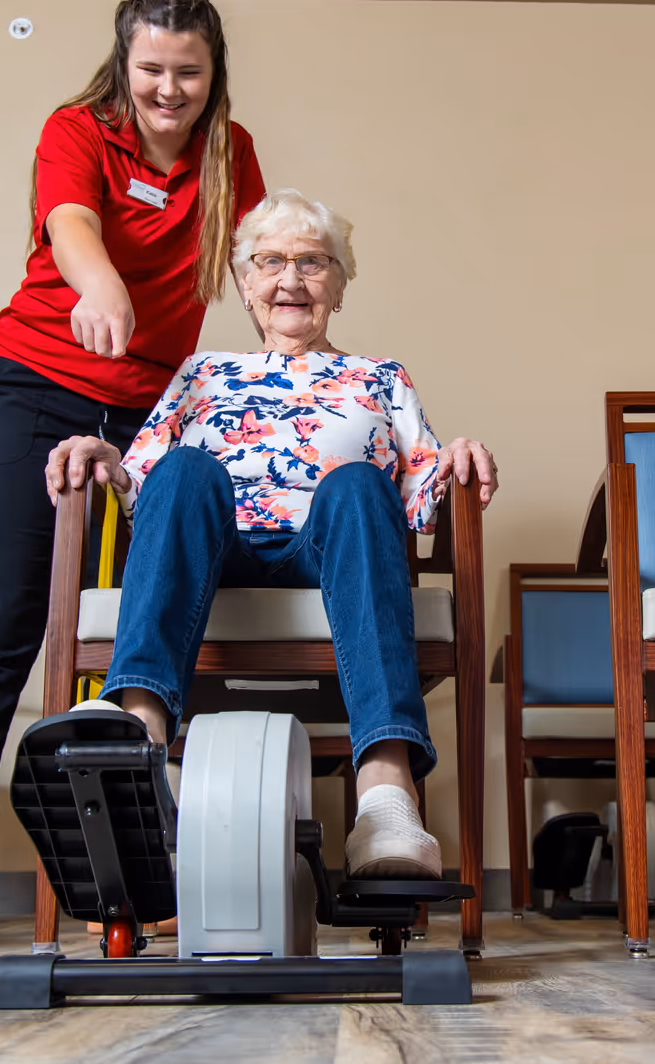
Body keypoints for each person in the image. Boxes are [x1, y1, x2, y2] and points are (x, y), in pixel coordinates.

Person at [0, 0, 266, 947]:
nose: (169, 90)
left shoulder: (231, 154)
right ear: (124, 64)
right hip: (33, 386)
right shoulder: (78, 129)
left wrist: (293, 342)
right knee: (0, 618)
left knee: (156, 614)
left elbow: (255, 262)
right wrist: (100, 283)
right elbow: (72, 228)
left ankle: (139, 871)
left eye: (189, 72)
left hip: (152, 404)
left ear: (212, 72)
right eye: (152, 70)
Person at [46, 189, 498, 878]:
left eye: (313, 263)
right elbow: (144, 483)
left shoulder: (380, 378)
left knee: (355, 482)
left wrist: (458, 455)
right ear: (245, 283)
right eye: (271, 261)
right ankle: (137, 743)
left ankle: (385, 796)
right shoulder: (202, 373)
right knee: (187, 468)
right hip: (217, 550)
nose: (291, 279)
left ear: (339, 287)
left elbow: (420, 488)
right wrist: (103, 457)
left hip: (330, 552)